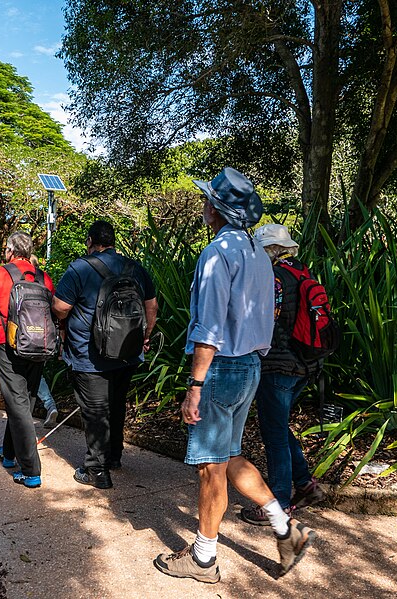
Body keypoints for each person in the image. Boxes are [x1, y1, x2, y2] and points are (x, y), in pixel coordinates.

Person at [153, 168, 316, 583]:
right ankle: (285, 528)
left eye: (208, 199)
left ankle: (203, 559)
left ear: (219, 209)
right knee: (227, 457)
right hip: (250, 368)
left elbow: (208, 327)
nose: (203, 205)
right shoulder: (259, 254)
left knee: (210, 466)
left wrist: (195, 386)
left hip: (221, 368)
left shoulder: (217, 253)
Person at [52, 220, 158, 489]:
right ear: (112, 241)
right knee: (116, 403)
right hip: (127, 352)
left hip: (91, 354)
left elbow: (61, 307)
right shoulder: (134, 268)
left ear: (90, 241)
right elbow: (152, 306)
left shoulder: (79, 269)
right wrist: (144, 336)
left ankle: (96, 470)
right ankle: (113, 457)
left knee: (95, 409)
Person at [239, 224, 325, 525]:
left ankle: (279, 503)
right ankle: (304, 484)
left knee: (273, 434)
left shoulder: (273, 278)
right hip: (307, 363)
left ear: (268, 251)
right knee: (279, 426)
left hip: (279, 365)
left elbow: (266, 321)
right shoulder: (305, 272)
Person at [0, 232, 55, 489]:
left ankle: (31, 471)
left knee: (17, 403)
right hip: (39, 346)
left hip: (8, 343)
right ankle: (8, 452)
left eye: (5, 249)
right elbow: (55, 310)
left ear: (10, 251)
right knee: (24, 400)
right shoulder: (43, 277)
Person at [29, 254, 58, 428]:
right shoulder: (45, 279)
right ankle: (49, 405)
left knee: (27, 379)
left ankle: (47, 405)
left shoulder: (18, 278)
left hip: (24, 337)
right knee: (37, 375)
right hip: (45, 337)